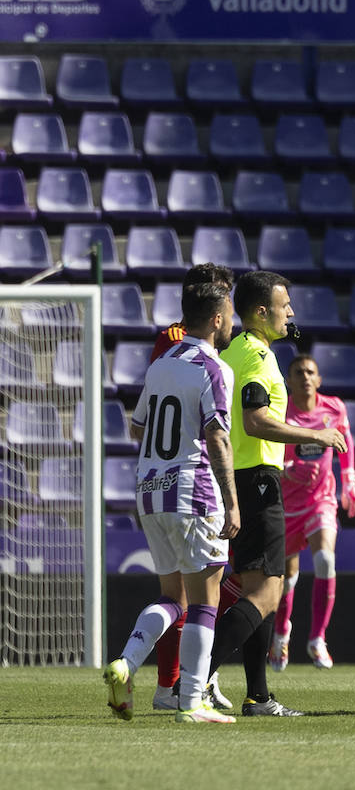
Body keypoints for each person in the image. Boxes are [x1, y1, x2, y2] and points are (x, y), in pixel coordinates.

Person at [207, 271, 346, 717]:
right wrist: (315, 434)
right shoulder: (257, 358)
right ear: (261, 312)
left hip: (238, 476)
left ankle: (258, 696)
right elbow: (254, 419)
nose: (291, 313)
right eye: (285, 306)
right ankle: (193, 678)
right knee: (270, 592)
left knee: (257, 589)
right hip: (257, 479)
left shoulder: (232, 350)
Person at [102, 282, 241, 724]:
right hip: (194, 490)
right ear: (217, 318)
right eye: (231, 313)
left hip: (149, 490)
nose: (233, 321)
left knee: (172, 597)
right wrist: (232, 503)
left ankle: (126, 662)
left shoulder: (162, 362)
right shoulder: (214, 368)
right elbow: (218, 436)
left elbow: (137, 428)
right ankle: (191, 702)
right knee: (205, 599)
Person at [147, 262, 237, 713]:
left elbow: (140, 421)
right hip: (196, 481)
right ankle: (183, 690)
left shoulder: (167, 356)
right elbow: (209, 429)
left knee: (182, 595)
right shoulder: (184, 348)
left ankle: (185, 684)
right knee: (196, 596)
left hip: (158, 485)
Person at [269, 355, 355, 672]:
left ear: (319, 380)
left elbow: (345, 441)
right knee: (287, 578)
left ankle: (317, 638)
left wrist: (349, 483)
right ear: (289, 381)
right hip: (286, 506)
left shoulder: (334, 407)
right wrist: (288, 470)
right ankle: (282, 632)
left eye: (310, 372)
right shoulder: (280, 411)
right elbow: (266, 453)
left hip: (320, 500)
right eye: (299, 373)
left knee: (325, 559)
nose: (306, 377)